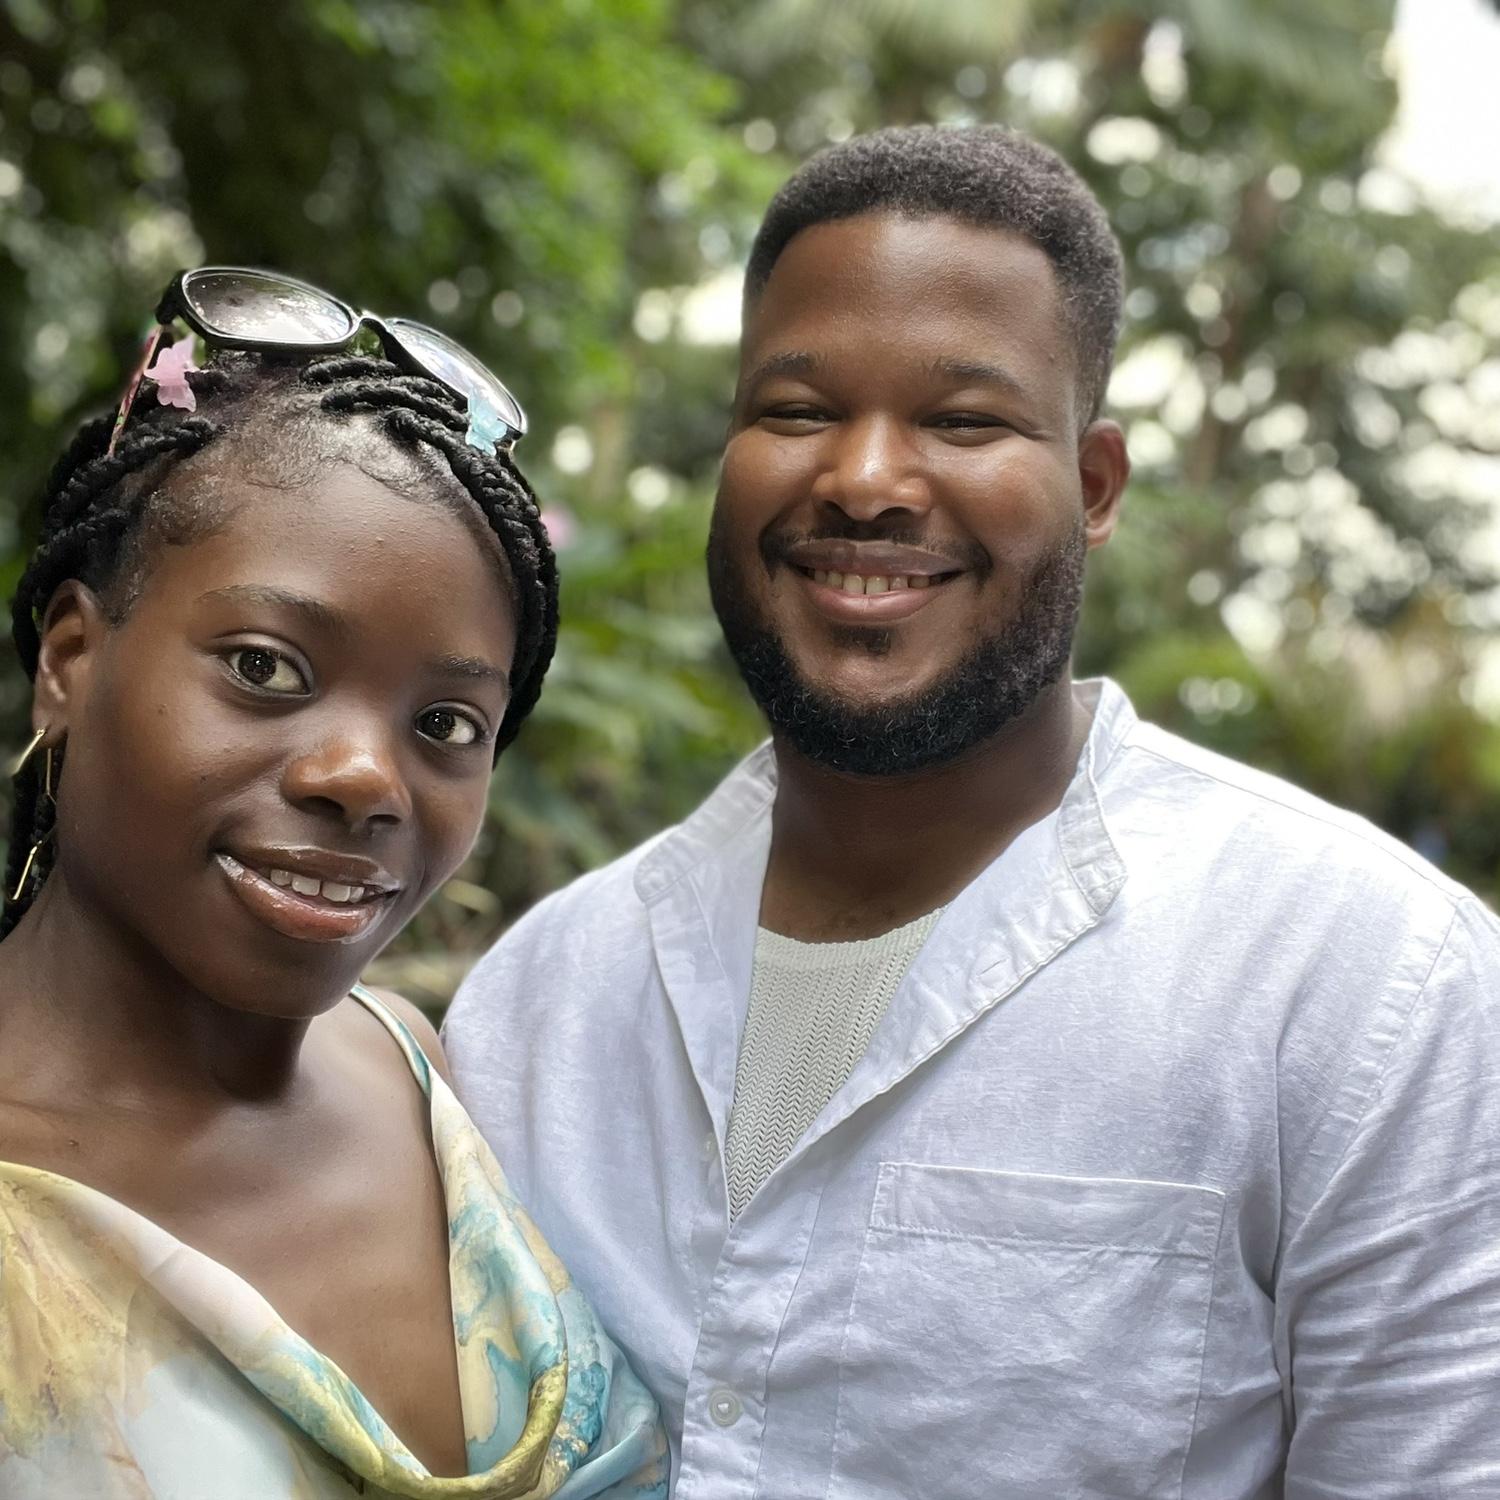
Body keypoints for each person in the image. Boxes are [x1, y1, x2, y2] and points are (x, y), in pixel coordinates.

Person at [442, 126, 1500, 1498]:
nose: (866, 480)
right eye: (797, 411)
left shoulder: (1367, 985)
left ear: (1095, 485)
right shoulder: (535, 1008)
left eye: (964, 421)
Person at [0, 268, 666, 1498]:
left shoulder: (414, 1067)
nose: (366, 779)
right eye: (266, 667)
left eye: (447, 724)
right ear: (71, 659)